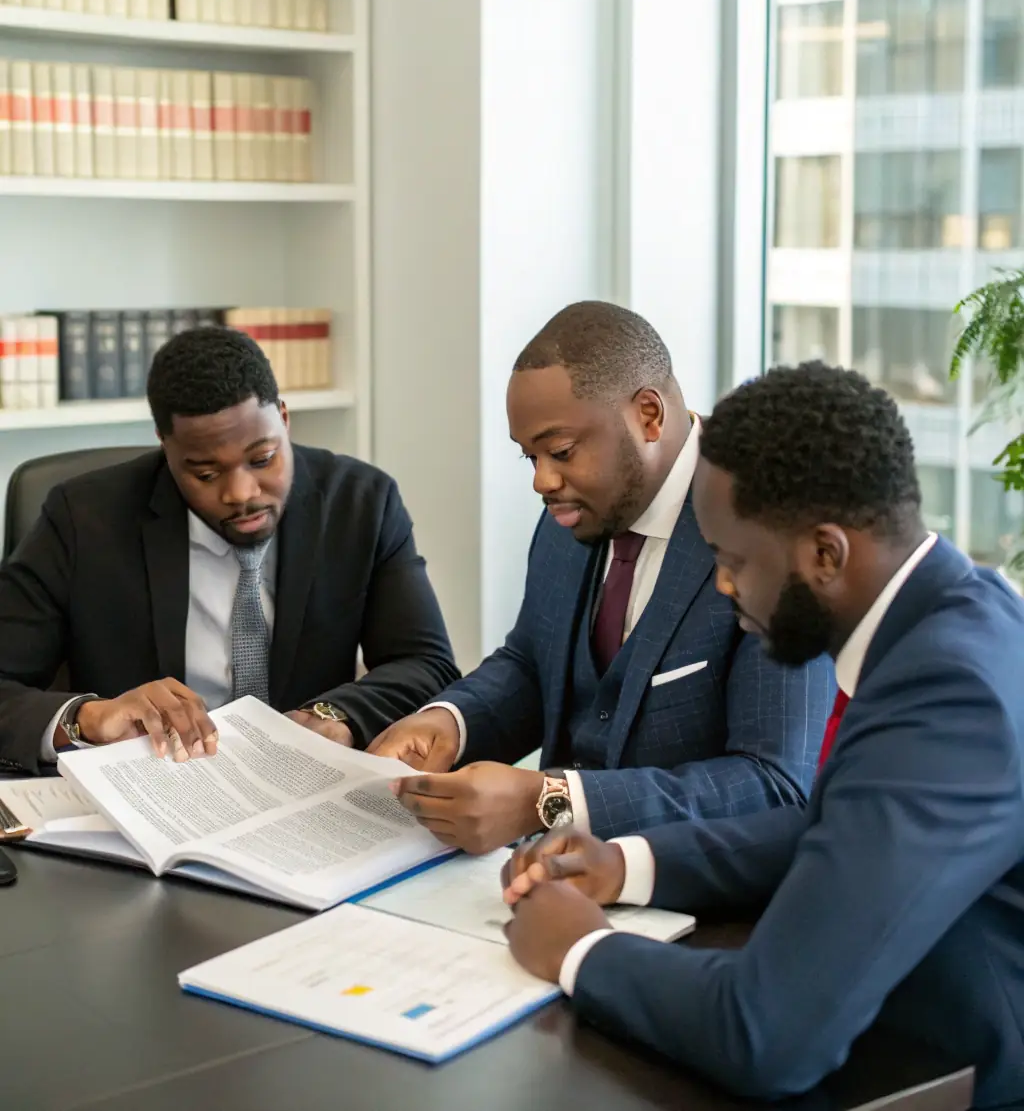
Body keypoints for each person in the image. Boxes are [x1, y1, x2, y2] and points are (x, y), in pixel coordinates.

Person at [500, 361, 1024, 1109]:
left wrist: (581, 947)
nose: (721, 585)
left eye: (731, 558)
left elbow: (766, 1031)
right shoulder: (955, 617)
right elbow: (840, 827)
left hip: (955, 1076)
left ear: (825, 553)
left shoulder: (949, 694)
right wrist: (627, 864)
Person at [369, 302, 833, 853]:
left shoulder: (771, 531)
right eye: (530, 457)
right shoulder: (573, 511)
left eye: (561, 452)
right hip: (545, 887)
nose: (542, 481)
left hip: (696, 907)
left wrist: (550, 801)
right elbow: (532, 663)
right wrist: (451, 721)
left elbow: (774, 786)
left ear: (649, 415)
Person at [0, 325, 458, 773]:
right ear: (166, 447)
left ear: (283, 417)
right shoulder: (84, 518)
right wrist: (87, 718)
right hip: (152, 791)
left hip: (302, 790)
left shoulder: (361, 503)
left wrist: (336, 716)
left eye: (262, 459)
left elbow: (426, 663)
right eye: (205, 474)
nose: (240, 493)